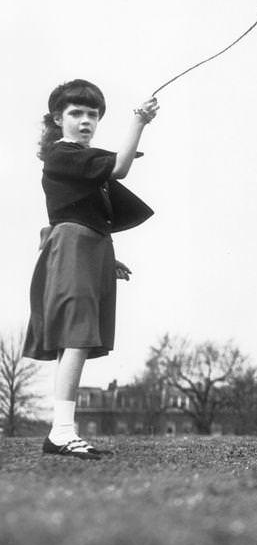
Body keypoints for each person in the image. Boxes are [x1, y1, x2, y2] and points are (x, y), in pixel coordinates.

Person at [25, 79, 159, 460]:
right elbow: (120, 168)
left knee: (79, 338)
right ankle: (62, 433)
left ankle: (62, 432)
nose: (86, 121)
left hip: (89, 248)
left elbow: (87, 211)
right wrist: (139, 122)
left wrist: (105, 257)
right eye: (76, 113)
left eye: (93, 115)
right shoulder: (61, 154)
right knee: (77, 337)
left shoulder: (81, 163)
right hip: (73, 247)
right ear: (58, 118)